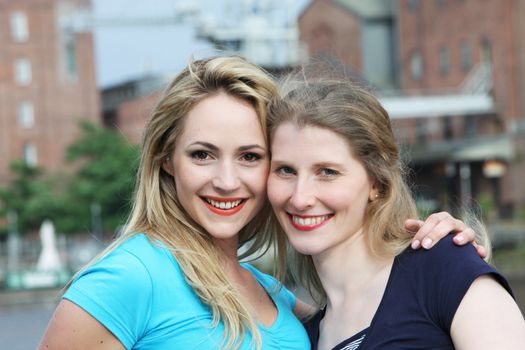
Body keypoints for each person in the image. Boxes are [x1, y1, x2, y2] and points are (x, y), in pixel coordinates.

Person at [39, 56, 482, 350]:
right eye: (202, 154)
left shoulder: (277, 297)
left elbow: (372, 309)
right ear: (166, 161)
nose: (227, 181)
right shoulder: (128, 278)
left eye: (250, 157)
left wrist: (444, 255)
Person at [266, 75, 525, 349]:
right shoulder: (304, 337)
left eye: (327, 172)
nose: (300, 197)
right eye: (286, 170)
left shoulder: (441, 267)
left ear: (376, 183)